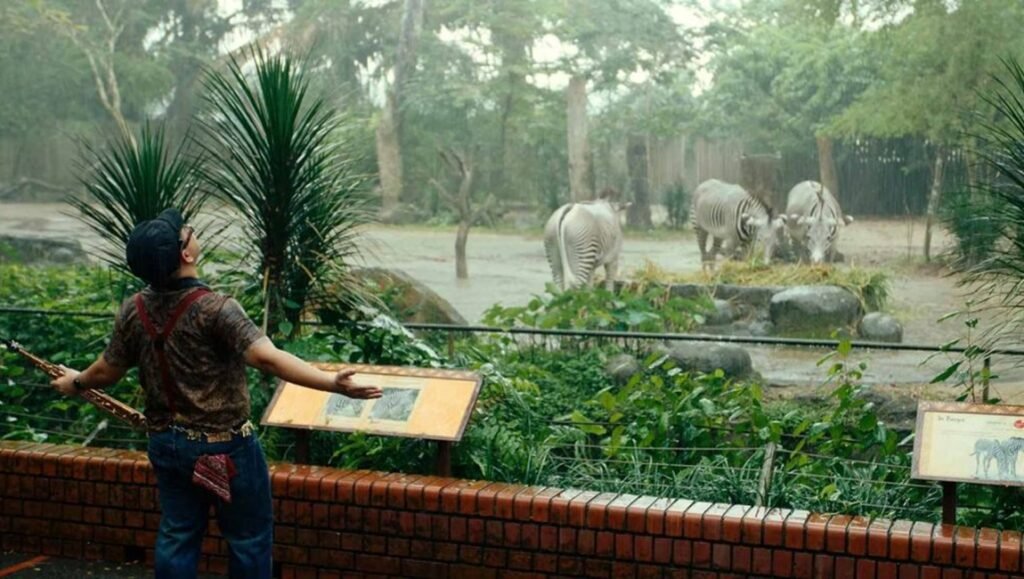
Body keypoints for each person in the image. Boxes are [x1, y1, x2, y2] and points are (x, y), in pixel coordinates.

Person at [49, 208, 382, 579]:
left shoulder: (134, 309)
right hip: (226, 447)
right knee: (248, 539)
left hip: (167, 445)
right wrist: (332, 384)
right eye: (187, 232)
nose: (191, 231)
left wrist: (76, 382)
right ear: (185, 254)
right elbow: (267, 358)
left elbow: (106, 370)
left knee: (178, 534)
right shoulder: (216, 308)